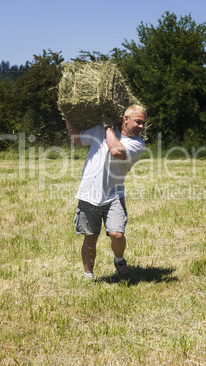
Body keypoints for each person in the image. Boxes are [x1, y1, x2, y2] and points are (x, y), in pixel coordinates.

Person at [66, 104, 147, 282]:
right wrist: (66, 115)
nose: (142, 127)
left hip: (114, 194)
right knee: (90, 238)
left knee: (117, 234)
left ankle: (119, 260)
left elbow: (116, 151)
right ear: (126, 119)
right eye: (138, 122)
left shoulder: (137, 144)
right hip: (89, 192)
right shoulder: (98, 130)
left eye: (143, 123)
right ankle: (88, 277)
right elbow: (78, 139)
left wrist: (108, 127)